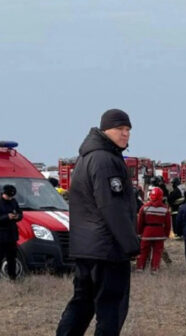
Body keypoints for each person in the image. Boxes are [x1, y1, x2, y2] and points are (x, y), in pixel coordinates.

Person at [57, 109, 140, 335]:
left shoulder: (87, 157)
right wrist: (130, 244)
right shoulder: (105, 160)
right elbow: (111, 206)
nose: (125, 134)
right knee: (111, 307)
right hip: (107, 249)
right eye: (119, 129)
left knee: (82, 303)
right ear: (105, 130)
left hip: (86, 247)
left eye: (128, 130)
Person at [136, 187, 171, 273]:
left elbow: (140, 222)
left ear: (151, 196)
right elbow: (168, 224)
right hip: (159, 233)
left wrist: (139, 232)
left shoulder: (144, 207)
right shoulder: (165, 209)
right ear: (161, 196)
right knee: (157, 252)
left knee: (143, 251)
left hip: (147, 232)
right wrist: (166, 234)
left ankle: (140, 267)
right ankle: (155, 269)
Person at [0, 185, 22, 280]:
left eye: (12, 196)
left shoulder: (13, 201)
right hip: (1, 236)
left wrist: (17, 216)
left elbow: (20, 213)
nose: (10, 198)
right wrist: (6, 217)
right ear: (4, 193)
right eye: (8, 196)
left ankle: (12, 278)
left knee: (12, 258)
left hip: (12, 235)